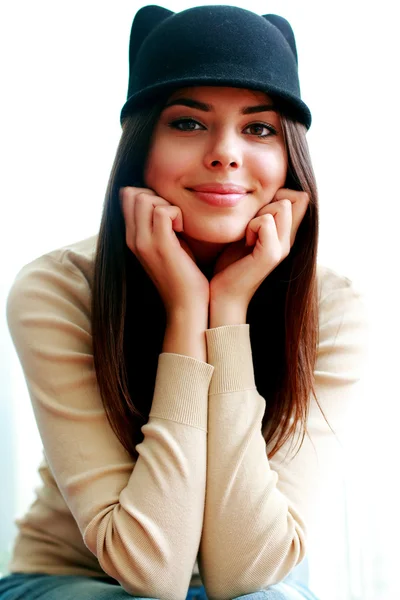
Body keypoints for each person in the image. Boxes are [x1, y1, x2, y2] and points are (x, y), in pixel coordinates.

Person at [0, 4, 368, 600]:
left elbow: (247, 570)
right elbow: (151, 572)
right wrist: (184, 312)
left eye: (259, 128)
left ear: (288, 162)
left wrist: (227, 311)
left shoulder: (335, 309)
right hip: (73, 580)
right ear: (142, 146)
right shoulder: (58, 289)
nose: (225, 153)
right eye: (189, 124)